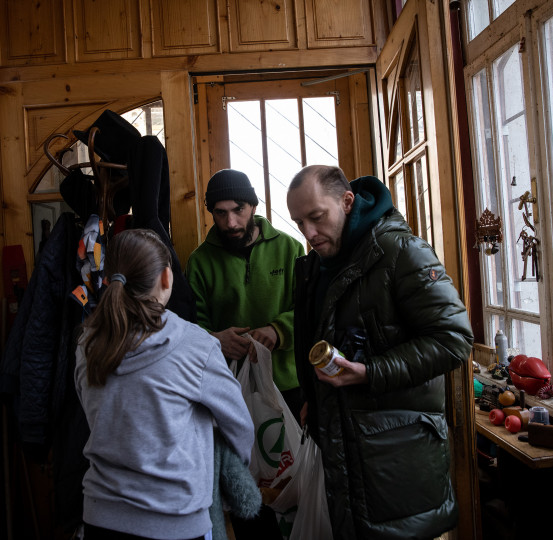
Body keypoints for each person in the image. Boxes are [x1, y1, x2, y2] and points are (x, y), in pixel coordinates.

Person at [286, 165, 474, 540]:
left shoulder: (400, 251)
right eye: (298, 222)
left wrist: (371, 372)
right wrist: (313, 396)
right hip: (345, 455)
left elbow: (454, 339)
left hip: (397, 462)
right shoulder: (314, 267)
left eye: (317, 217)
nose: (308, 233)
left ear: (347, 201)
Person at [74, 228, 254, 540]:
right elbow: (239, 426)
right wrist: (228, 474)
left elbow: (91, 408)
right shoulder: (196, 344)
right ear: (166, 278)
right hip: (177, 522)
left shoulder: (87, 342)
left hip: (100, 518)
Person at [186, 168, 305, 539]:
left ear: (253, 205)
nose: (230, 221)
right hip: (229, 396)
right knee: (246, 490)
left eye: (237, 210)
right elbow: (188, 330)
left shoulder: (290, 248)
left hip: (288, 387)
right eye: (219, 213)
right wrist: (215, 339)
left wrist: (278, 330)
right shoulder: (200, 261)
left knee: (294, 483)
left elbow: (308, 311)